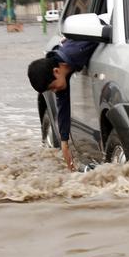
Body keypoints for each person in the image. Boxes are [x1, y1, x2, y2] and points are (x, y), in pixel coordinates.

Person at [27, 39, 98, 171]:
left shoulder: (76, 52)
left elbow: (99, 34)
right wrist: (64, 143)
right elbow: (63, 109)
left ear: (56, 72)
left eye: (53, 87)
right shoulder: (62, 72)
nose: (55, 91)